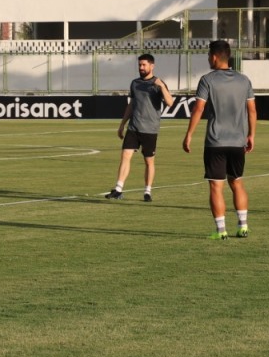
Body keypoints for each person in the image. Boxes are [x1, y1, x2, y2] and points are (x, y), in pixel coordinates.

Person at [182, 40, 256, 240]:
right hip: (238, 141)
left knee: (216, 185)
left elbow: (198, 108)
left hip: (216, 142)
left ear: (214, 56)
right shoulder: (244, 80)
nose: (208, 59)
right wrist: (251, 135)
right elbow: (252, 110)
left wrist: (189, 134)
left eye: (208, 56)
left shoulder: (207, 80)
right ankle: (243, 226)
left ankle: (221, 229)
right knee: (237, 182)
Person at [105, 53, 175, 202]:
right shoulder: (135, 83)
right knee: (125, 156)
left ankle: (147, 191)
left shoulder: (158, 83)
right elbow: (131, 104)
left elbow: (170, 102)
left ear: (152, 66)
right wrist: (122, 124)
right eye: (139, 65)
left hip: (150, 129)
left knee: (149, 161)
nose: (141, 67)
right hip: (134, 127)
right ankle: (118, 189)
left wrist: (162, 86)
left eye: (144, 65)